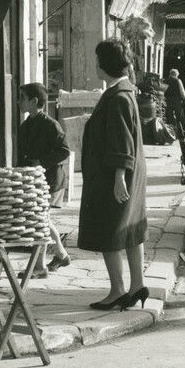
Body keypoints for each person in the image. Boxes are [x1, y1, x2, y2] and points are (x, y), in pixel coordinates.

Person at [78, 39, 149, 310]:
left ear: (105, 64)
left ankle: (118, 290)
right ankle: (138, 284)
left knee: (109, 228)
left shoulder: (118, 96)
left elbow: (121, 140)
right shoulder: (124, 92)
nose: (95, 64)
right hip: (126, 172)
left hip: (114, 175)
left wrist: (119, 176)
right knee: (129, 228)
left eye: (97, 59)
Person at [17, 82, 71, 278]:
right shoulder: (25, 126)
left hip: (50, 180)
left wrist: (42, 162)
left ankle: (39, 266)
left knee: (39, 221)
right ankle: (61, 254)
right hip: (33, 181)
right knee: (43, 220)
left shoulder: (51, 125)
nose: (18, 102)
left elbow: (64, 151)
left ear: (34, 101)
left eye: (22, 98)